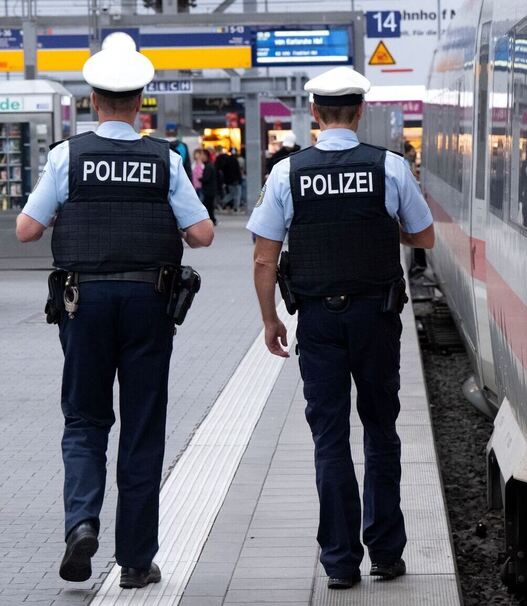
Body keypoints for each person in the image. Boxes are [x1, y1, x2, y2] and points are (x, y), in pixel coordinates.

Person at [13, 32, 213, 589]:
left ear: (92, 100)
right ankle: (134, 562)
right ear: (141, 100)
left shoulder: (66, 156)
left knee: (84, 419)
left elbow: (27, 229)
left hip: (84, 303)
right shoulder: (164, 160)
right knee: (143, 428)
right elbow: (202, 234)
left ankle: (81, 523)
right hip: (150, 302)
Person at [247, 66, 434, 590]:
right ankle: (388, 553)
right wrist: (378, 224)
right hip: (376, 318)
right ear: (360, 111)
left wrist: (269, 320)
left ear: (314, 114)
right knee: (380, 430)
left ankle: (340, 562)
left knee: (329, 437)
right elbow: (425, 239)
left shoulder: (287, 173)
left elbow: (265, 258)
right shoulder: (390, 169)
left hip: (318, 322)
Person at [199, 148, 219, 224]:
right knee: (209, 206)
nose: (201, 157)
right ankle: (212, 220)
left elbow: (206, 179)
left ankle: (211, 220)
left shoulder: (208, 166)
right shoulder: (210, 165)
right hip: (211, 190)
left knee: (207, 206)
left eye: (202, 155)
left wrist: (200, 179)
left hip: (209, 190)